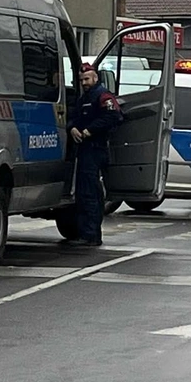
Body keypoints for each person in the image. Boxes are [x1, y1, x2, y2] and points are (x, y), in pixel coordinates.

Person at [66, 63, 123, 247]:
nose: (84, 82)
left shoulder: (103, 95)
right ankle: (86, 233)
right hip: (84, 149)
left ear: (95, 78)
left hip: (96, 148)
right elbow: (73, 117)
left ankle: (91, 236)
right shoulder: (84, 98)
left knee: (90, 194)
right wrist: (72, 128)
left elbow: (114, 117)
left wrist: (90, 130)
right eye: (81, 80)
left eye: (87, 79)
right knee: (84, 193)